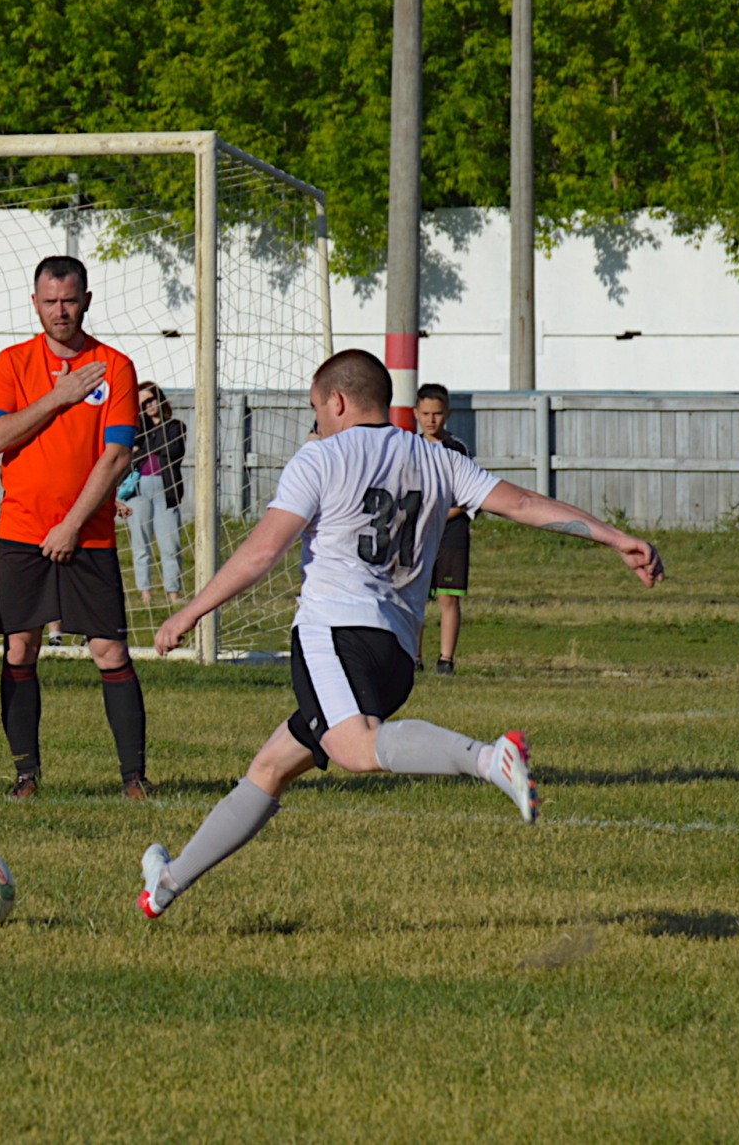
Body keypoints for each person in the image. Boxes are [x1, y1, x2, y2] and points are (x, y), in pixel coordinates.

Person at [136, 349, 665, 919]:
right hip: (395, 656)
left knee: (355, 749)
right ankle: (165, 885)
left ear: (336, 402)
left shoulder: (321, 458)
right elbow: (524, 503)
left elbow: (264, 550)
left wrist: (189, 612)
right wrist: (615, 538)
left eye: (317, 410)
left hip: (334, 634)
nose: (315, 424)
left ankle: (490, 760)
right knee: (271, 767)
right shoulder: (436, 459)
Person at [0, 255, 146, 800]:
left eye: (69, 300)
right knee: (20, 649)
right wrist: (59, 397)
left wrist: (73, 524)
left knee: (110, 653)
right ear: (34, 303)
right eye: (49, 301)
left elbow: (117, 456)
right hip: (22, 531)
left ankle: (134, 778)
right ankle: (25, 776)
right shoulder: (11, 363)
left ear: (87, 300)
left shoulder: (114, 365)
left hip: (87, 535)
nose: (60, 311)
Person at [415, 381, 470, 674]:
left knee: (448, 597)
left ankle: (446, 660)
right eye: (425, 413)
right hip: (419, 532)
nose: (430, 420)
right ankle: (414, 657)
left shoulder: (457, 449)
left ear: (446, 414)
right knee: (416, 594)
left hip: (451, 532)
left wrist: (439, 515)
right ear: (416, 413)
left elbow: (467, 497)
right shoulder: (409, 447)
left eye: (436, 413)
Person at [128, 381, 186, 607]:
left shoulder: (175, 426)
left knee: (170, 543)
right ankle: (145, 593)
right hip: (139, 488)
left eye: (151, 399)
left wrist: (142, 449)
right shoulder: (136, 429)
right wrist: (145, 447)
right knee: (140, 543)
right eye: (143, 403)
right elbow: (129, 456)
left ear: (159, 399)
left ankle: (173, 592)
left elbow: (174, 450)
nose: (149, 405)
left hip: (166, 487)